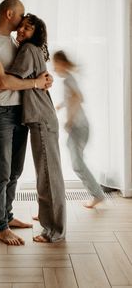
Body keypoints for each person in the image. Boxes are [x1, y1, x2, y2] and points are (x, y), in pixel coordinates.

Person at [0, 13, 66, 243]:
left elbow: (7, 81)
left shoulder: (28, 50)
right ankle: (50, 223)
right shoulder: (34, 50)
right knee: (47, 175)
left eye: (27, 28)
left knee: (48, 176)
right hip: (41, 117)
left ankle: (53, 231)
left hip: (40, 118)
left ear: (35, 33)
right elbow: (25, 81)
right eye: (21, 27)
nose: (21, 31)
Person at [53, 51, 105, 208]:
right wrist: (62, 105)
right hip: (79, 127)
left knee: (77, 163)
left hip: (79, 126)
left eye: (55, 65)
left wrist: (69, 120)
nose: (54, 69)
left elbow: (78, 97)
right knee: (77, 162)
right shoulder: (69, 79)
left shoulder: (68, 80)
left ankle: (97, 195)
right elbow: (73, 97)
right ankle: (97, 194)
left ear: (61, 63)